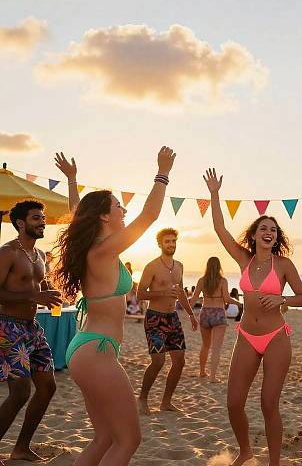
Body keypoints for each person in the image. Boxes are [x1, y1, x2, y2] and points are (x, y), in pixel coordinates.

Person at [53, 147, 175, 466]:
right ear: (105, 216)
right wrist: (162, 172)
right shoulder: (102, 252)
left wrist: (72, 181)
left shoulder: (96, 250)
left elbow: (78, 215)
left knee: (105, 437)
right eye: (119, 206)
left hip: (89, 350)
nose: (124, 211)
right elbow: (149, 216)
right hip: (97, 352)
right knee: (128, 440)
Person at [204, 168, 302, 466]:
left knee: (268, 403)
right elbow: (221, 230)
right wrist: (214, 194)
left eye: (273, 230)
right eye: (263, 228)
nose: (268, 232)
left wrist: (281, 298)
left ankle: (273, 462)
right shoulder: (244, 259)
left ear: (276, 238)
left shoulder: (284, 264)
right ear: (254, 235)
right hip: (247, 336)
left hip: (276, 336)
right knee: (234, 403)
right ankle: (246, 451)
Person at [0, 200, 62, 463]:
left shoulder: (40, 255)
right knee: (20, 391)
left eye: (42, 218)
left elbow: (37, 287)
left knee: (48, 387)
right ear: (21, 223)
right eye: (36, 218)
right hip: (8, 326)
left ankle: (21, 448)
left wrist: (49, 294)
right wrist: (35, 295)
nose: (42, 222)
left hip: (32, 328)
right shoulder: (7, 253)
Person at [136, 228, 198, 415]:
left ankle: (166, 402)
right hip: (155, 318)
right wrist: (162, 293)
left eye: (173, 241)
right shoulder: (152, 266)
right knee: (158, 361)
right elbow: (140, 294)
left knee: (179, 362)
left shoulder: (179, 266)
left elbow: (181, 295)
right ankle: (142, 399)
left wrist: (190, 314)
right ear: (160, 244)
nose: (171, 244)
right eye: (167, 242)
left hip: (173, 318)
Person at [189, 257, 242, 382]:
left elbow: (193, 299)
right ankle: (212, 377)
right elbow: (227, 299)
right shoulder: (223, 281)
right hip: (218, 313)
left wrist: (189, 313)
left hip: (205, 313)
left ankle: (202, 372)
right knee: (216, 348)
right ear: (219, 267)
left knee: (206, 345)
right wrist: (240, 304)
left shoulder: (202, 281)